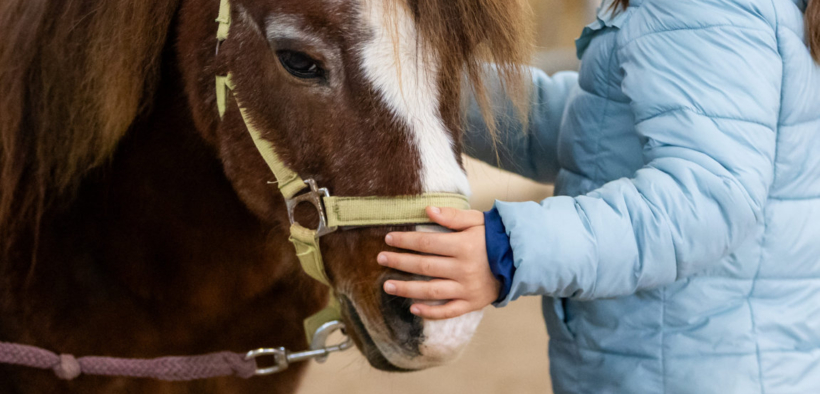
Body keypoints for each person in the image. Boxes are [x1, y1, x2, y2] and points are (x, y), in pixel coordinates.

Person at [378, 0, 820, 392]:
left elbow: (706, 197)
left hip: (674, 371)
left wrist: (507, 250)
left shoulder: (702, 8)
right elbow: (607, 132)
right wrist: (421, 86)